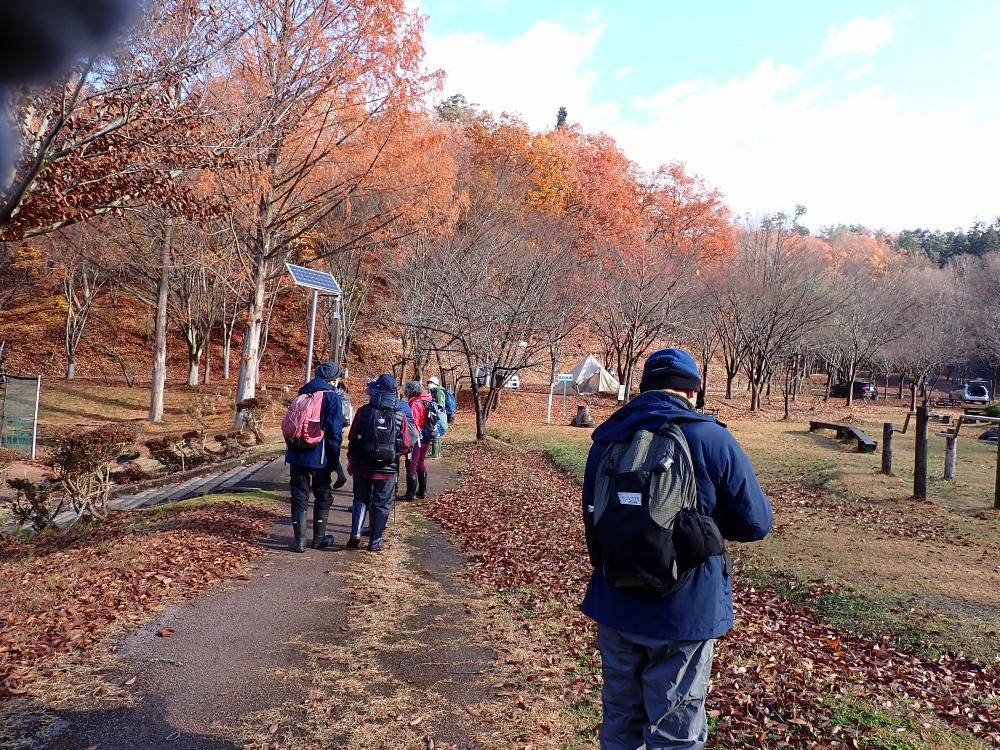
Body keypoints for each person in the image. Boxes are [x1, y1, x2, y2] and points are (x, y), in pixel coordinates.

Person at [581, 348, 772, 750]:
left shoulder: (608, 438)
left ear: (645, 389)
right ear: (693, 393)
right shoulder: (711, 437)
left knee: (619, 722)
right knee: (675, 731)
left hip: (614, 602)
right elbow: (756, 523)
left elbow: (594, 519)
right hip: (683, 612)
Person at [283, 361, 344, 553]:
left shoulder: (302, 394)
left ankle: (299, 542)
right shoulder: (332, 398)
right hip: (320, 456)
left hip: (296, 454)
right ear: (333, 380)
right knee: (323, 496)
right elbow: (335, 432)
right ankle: (318, 539)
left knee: (299, 496)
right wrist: (335, 461)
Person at [345, 374, 410, 551]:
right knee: (382, 504)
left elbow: (352, 437)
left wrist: (352, 459)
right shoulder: (399, 413)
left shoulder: (363, 411)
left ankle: (356, 533)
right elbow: (405, 443)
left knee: (360, 499)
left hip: (363, 464)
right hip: (387, 468)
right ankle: (374, 541)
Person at [403, 380, 433, 499]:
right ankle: (422, 491)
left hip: (417, 437)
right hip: (426, 435)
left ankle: (410, 494)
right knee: (420, 463)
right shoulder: (427, 399)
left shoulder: (415, 403)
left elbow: (413, 422)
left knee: (411, 465)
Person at [426, 376, 448, 459]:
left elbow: (441, 406)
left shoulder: (439, 392)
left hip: (440, 416)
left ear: (435, 384)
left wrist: (432, 406)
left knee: (436, 433)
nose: (429, 384)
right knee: (436, 434)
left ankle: (437, 454)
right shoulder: (433, 391)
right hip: (437, 415)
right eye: (428, 383)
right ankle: (435, 453)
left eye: (430, 383)